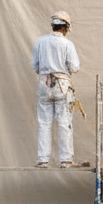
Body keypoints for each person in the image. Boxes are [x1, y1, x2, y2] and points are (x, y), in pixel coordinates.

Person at [31, 11, 81, 168]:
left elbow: (35, 65)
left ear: (53, 25)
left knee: (44, 122)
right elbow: (74, 67)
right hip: (62, 86)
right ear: (65, 28)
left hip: (44, 84)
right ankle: (66, 160)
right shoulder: (67, 44)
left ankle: (42, 160)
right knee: (64, 122)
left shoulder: (40, 42)